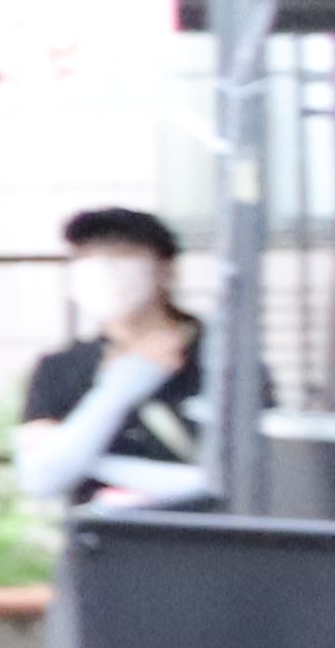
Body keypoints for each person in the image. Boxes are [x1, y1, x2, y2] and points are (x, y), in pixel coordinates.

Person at [14, 207, 213, 513]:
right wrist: (121, 388)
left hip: (203, 535)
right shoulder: (59, 368)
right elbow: (41, 477)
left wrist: (85, 459)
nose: (103, 270)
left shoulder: (220, 361)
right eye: (85, 258)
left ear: (166, 271)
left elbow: (233, 478)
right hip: (98, 537)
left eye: (121, 255)